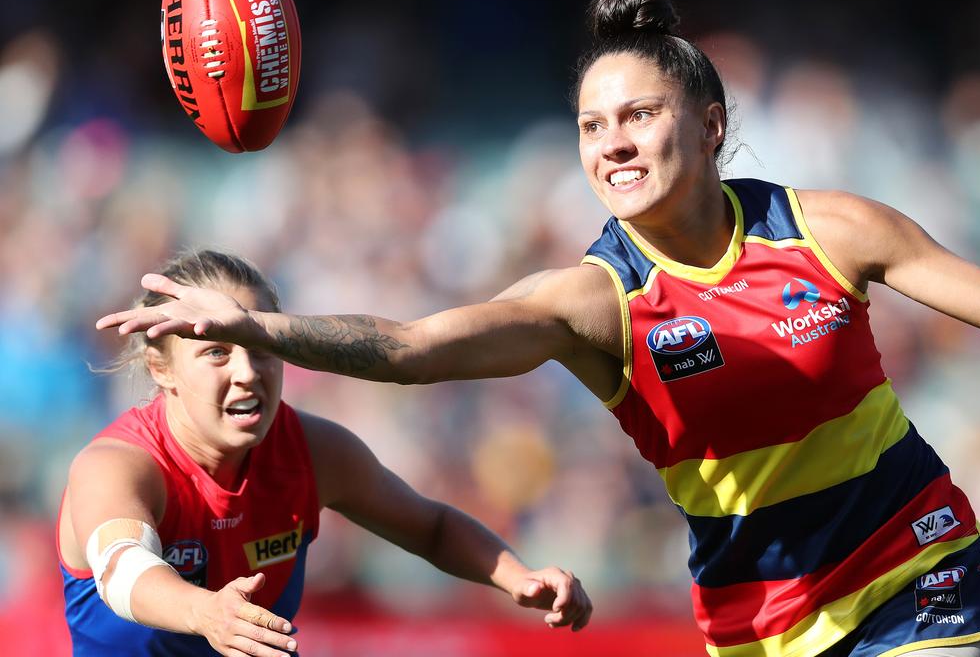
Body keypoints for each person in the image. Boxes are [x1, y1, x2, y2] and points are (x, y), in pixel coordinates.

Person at [97, 0, 980, 657]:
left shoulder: (827, 229)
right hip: (754, 623)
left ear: (705, 125)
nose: (612, 143)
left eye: (637, 116)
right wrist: (261, 327)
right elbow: (409, 347)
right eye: (592, 126)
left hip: (917, 567)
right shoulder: (593, 304)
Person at [66, 249, 591, 657]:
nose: (248, 372)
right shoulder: (118, 464)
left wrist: (517, 576)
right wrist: (207, 613)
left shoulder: (312, 450)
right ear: (161, 370)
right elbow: (122, 569)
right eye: (216, 352)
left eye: (261, 346)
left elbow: (429, 526)